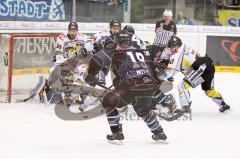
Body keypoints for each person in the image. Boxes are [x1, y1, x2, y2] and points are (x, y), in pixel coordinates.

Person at [85, 30, 167, 142]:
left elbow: (96, 60)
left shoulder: (115, 51)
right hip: (148, 84)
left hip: (130, 86)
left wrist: (90, 76)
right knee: (143, 109)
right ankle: (159, 132)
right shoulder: (140, 50)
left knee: (108, 102)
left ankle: (117, 133)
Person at [158, 36, 231, 114]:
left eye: (172, 47)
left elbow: (169, 73)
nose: (171, 49)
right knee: (209, 91)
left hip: (202, 68)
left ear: (176, 46)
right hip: (209, 65)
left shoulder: (176, 55)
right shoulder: (183, 46)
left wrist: (158, 77)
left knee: (182, 86)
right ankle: (223, 105)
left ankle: (186, 108)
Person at [38, 22, 94, 107]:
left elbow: (90, 42)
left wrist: (88, 47)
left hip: (76, 63)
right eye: (70, 31)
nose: (72, 33)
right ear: (68, 31)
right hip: (61, 62)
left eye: (74, 31)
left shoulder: (82, 36)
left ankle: (84, 97)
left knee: (82, 75)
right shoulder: (61, 38)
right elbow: (59, 56)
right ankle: (51, 93)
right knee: (59, 74)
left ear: (77, 31)